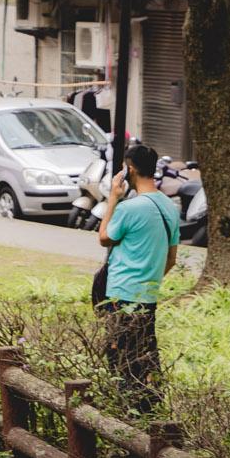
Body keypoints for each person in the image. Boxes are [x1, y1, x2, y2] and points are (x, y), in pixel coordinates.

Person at [97, 142, 178, 411]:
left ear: (129, 170)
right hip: (148, 295)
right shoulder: (170, 207)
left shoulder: (129, 208)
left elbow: (104, 237)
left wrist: (113, 198)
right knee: (144, 356)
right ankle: (148, 410)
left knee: (119, 358)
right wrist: (149, 280)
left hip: (121, 294)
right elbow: (171, 259)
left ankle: (126, 415)